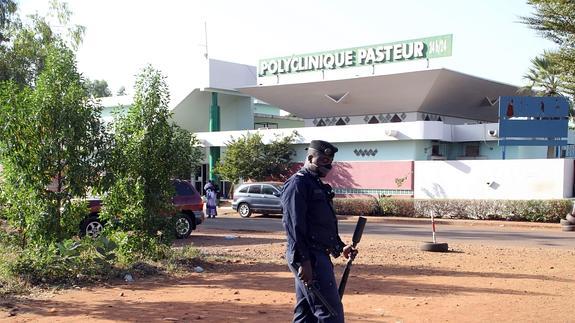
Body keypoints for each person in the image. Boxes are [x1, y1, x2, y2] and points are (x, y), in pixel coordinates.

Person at [281, 140, 357, 323]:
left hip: (318, 254)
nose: (327, 165)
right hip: (310, 257)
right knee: (330, 314)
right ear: (309, 157)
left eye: (329, 161)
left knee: (306, 315)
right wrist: (304, 261)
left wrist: (340, 247)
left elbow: (322, 224)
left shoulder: (315, 184)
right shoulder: (298, 184)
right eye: (322, 160)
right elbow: (294, 227)